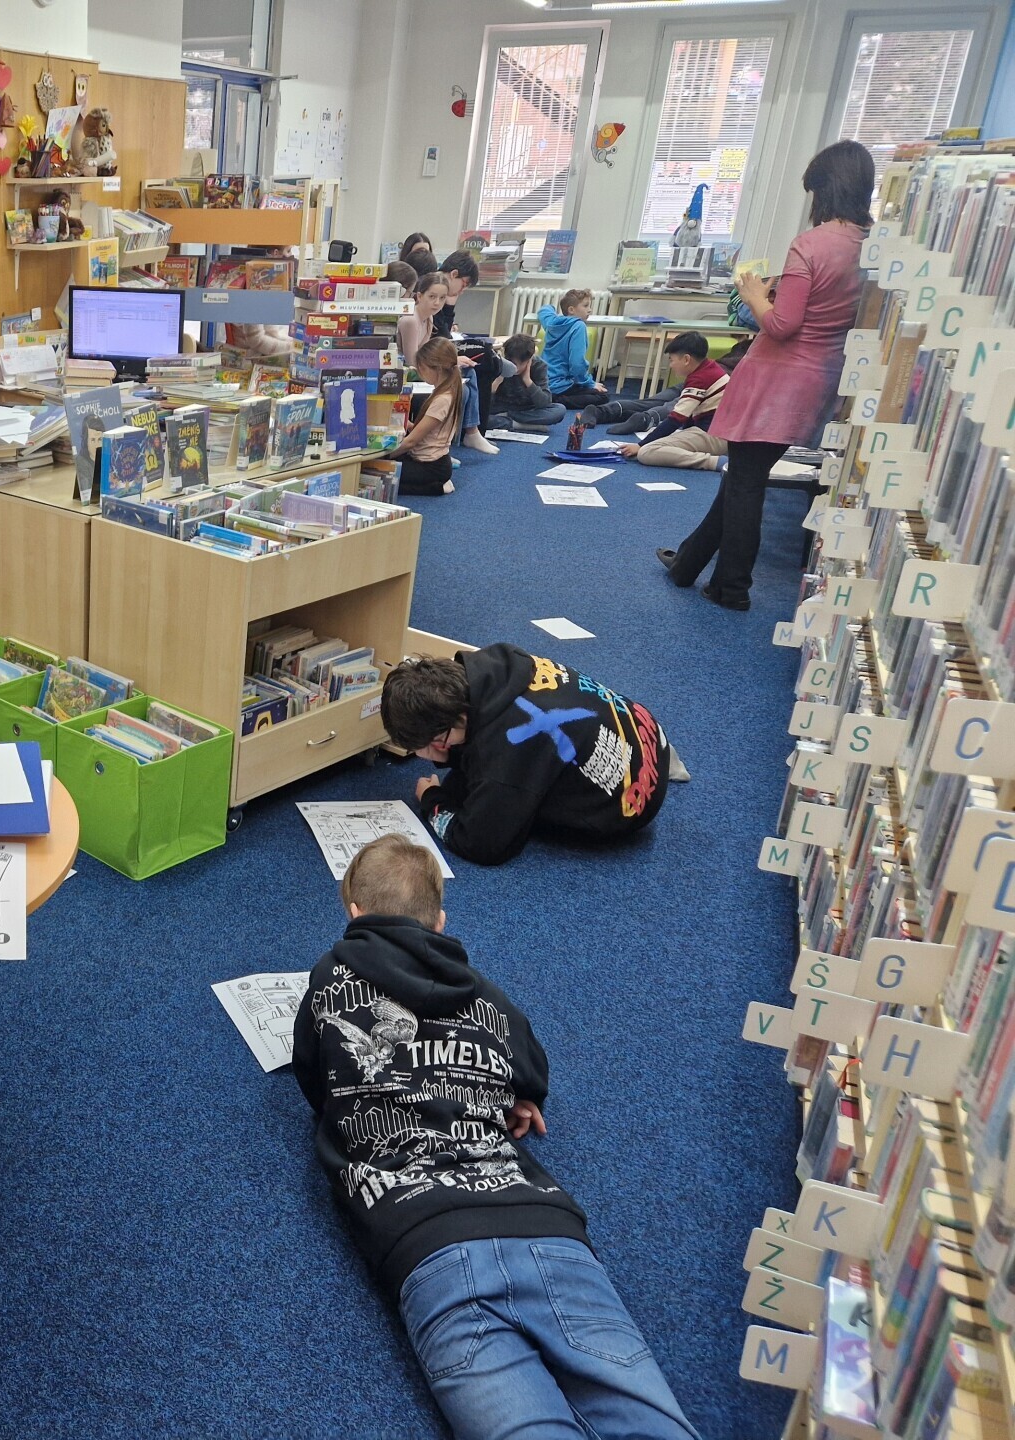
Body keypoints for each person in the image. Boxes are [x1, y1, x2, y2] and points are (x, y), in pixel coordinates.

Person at [292, 835, 699, 1440]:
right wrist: (516, 1095)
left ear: (353, 913)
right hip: (543, 1223)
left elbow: (315, 1082)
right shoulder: (484, 994)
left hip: (426, 1238)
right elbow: (532, 1070)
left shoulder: (330, 981)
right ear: (440, 920)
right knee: (651, 1420)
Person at [660, 140, 872, 610]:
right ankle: (687, 564)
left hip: (777, 377)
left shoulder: (811, 244)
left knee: (745, 482)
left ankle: (731, 587)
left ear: (825, 189)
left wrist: (755, 293)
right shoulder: (868, 245)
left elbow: (781, 324)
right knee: (744, 475)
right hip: (821, 376)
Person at [379, 645, 676, 866]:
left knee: (484, 807)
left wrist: (432, 800)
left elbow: (482, 845)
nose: (428, 754)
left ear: (446, 729)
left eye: (432, 744)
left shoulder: (506, 752)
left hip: (629, 803)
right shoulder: (492, 665)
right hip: (646, 733)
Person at [398, 275, 497, 456]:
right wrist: (450, 362)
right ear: (419, 296)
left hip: (421, 369)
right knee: (460, 384)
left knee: (469, 371)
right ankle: (462, 437)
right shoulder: (410, 320)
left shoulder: (429, 318)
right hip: (408, 373)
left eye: (442, 298)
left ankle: (468, 434)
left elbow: (427, 354)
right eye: (432, 297)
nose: (437, 303)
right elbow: (414, 361)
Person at [610, 333, 730, 471]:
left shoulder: (699, 379)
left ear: (686, 359)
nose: (671, 365)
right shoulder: (710, 368)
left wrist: (640, 445)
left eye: (672, 360)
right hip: (723, 433)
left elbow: (676, 419)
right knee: (666, 438)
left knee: (647, 452)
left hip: (715, 436)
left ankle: (715, 462)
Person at [435, 250, 504, 433]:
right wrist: (449, 306)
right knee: (486, 360)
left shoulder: (443, 291)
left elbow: (444, 331)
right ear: (454, 274)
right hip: (436, 352)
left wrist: (450, 306)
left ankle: (478, 429)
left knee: (487, 356)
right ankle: (476, 431)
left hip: (444, 345)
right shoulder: (434, 290)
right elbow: (441, 336)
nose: (462, 290)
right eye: (463, 284)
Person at [390, 337, 464, 497]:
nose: (420, 373)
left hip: (431, 467)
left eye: (422, 368)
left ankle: (437, 487)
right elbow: (426, 431)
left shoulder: (442, 399)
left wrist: (383, 456)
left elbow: (411, 442)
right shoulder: (445, 391)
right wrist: (406, 423)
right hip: (431, 461)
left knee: (379, 475)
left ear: (437, 369)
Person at [537, 289, 609, 411]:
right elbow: (577, 364)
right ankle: (554, 400)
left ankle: (546, 396)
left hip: (542, 381)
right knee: (603, 396)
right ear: (571, 309)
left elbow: (544, 310)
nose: (590, 310)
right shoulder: (579, 326)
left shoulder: (552, 322)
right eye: (585, 306)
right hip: (559, 385)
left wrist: (551, 307)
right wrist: (589, 383)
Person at [490, 333, 564, 431]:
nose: (516, 368)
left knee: (559, 410)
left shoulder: (539, 366)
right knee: (478, 417)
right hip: (500, 407)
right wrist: (496, 383)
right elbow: (483, 403)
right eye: (512, 363)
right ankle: (518, 424)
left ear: (529, 360)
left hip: (526, 409)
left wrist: (528, 381)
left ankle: (506, 419)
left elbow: (545, 403)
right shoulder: (498, 364)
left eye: (521, 364)